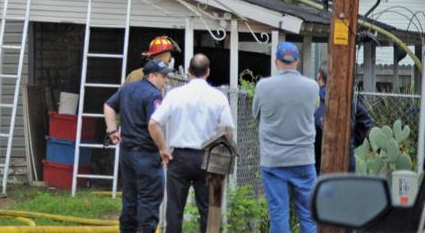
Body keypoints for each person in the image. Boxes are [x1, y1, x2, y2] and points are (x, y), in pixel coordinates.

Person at [149, 54, 235, 233]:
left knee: (175, 207)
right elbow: (228, 130)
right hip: (209, 157)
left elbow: (153, 123)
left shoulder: (175, 94)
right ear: (208, 72)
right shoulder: (218, 97)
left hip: (179, 156)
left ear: (188, 71)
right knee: (209, 210)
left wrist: (163, 149)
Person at [252, 42, 319, 233]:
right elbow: (313, 111)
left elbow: (256, 114)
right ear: (297, 61)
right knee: (308, 215)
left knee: (279, 214)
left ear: (276, 61)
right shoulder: (312, 87)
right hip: (303, 159)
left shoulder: (263, 86)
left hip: (273, 160)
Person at [104, 60, 173, 233]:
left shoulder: (127, 88)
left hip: (126, 153)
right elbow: (153, 124)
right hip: (146, 155)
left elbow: (108, 105)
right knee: (149, 199)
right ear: (152, 76)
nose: (166, 80)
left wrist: (112, 130)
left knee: (130, 197)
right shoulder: (154, 95)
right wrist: (163, 148)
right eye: (163, 76)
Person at [313, 61, 372, 173]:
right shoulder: (349, 99)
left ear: (319, 76)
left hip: (320, 163)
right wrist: (350, 143)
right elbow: (366, 121)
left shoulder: (314, 100)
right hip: (346, 162)